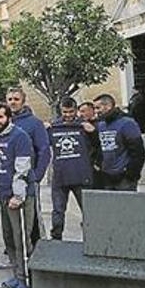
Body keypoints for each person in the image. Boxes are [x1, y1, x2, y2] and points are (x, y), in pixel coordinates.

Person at [0, 102, 35, 288]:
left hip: (19, 197)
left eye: (0, 117)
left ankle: (27, 282)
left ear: (8, 118)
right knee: (9, 239)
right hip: (4, 195)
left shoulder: (19, 137)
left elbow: (22, 168)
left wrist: (18, 195)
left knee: (21, 239)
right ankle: (17, 274)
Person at [47, 97, 101, 240]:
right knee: (58, 210)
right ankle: (56, 239)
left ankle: (93, 238)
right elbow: (40, 145)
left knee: (88, 210)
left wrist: (92, 131)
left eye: (71, 112)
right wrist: (44, 128)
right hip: (60, 176)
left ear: (76, 110)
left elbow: (98, 144)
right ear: (61, 111)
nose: (68, 115)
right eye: (65, 112)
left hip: (82, 175)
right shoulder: (54, 126)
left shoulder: (84, 126)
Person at [6, 87, 50, 246]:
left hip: (28, 178)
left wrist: (37, 175)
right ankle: (16, 246)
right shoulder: (3, 122)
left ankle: (36, 245)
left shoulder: (34, 123)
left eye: (16, 99)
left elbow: (44, 150)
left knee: (32, 215)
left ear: (23, 101)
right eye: (10, 99)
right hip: (8, 179)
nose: (12, 102)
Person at [94, 94, 145, 191]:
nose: (96, 111)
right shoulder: (101, 125)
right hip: (107, 176)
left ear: (108, 106)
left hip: (124, 178)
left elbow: (139, 152)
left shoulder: (127, 123)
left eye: (98, 107)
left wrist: (131, 174)